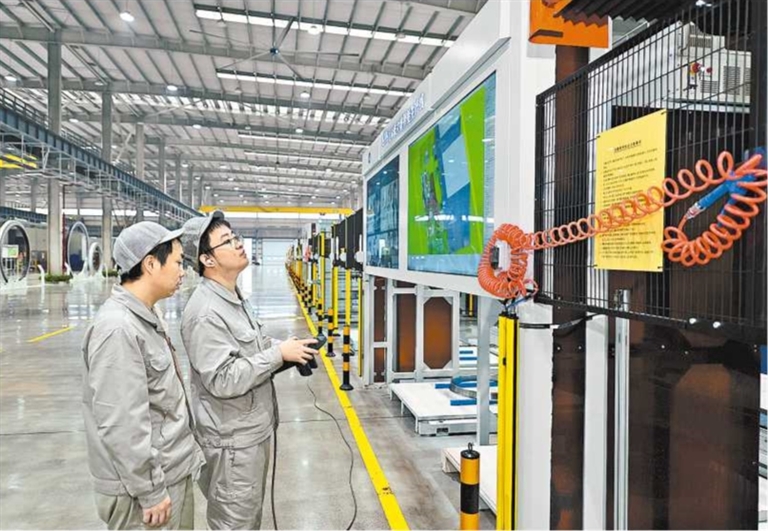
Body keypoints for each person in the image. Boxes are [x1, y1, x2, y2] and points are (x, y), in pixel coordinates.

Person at [180, 211, 317, 530]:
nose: (238, 244)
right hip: (232, 444)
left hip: (249, 433)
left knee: (248, 519)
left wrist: (288, 348)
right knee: (235, 524)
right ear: (207, 259)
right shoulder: (205, 312)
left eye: (235, 237)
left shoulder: (233, 296)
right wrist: (277, 355)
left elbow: (254, 343)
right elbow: (222, 379)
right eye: (226, 241)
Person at [81, 221, 205, 530]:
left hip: (168, 472)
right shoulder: (118, 329)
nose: (183, 271)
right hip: (144, 492)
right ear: (150, 264)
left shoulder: (146, 315)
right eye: (177, 262)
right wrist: (150, 491)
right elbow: (121, 423)